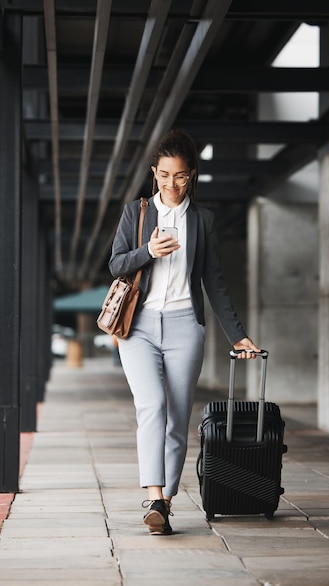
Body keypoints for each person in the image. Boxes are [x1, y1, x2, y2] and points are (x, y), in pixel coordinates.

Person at [109, 129, 260, 535]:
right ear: (153, 172)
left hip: (184, 327)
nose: (170, 184)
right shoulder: (136, 212)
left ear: (191, 175)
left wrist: (237, 334)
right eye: (162, 175)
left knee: (177, 417)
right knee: (152, 405)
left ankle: (165, 502)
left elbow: (215, 281)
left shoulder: (203, 219)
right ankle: (153, 494)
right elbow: (116, 264)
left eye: (179, 176)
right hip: (137, 326)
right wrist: (148, 252)